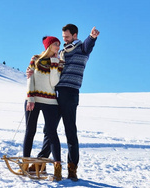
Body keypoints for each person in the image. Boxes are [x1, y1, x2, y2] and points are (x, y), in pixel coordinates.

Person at [28, 24, 100, 181]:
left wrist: (92, 37)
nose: (64, 39)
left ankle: (72, 168)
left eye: (67, 37)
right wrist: (32, 72)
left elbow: (88, 45)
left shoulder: (82, 48)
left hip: (70, 94)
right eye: (63, 37)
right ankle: (40, 162)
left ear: (75, 35)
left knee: (70, 131)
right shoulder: (61, 52)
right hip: (56, 93)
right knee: (50, 130)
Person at [23, 36, 64, 181]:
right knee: (30, 131)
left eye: (59, 45)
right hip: (34, 99)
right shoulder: (35, 58)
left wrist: (54, 63)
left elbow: (54, 83)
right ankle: (25, 163)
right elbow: (30, 79)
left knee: (52, 133)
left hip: (51, 102)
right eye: (55, 45)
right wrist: (30, 98)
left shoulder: (59, 62)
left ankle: (57, 167)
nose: (58, 47)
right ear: (48, 46)